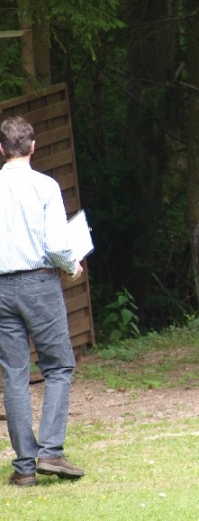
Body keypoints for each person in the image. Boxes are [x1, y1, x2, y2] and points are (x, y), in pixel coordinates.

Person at [0, 116, 86, 486]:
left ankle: (24, 468)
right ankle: (51, 451)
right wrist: (73, 266)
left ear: (1, 150)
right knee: (58, 366)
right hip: (39, 283)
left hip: (1, 289)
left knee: (14, 375)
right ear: (33, 147)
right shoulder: (46, 187)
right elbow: (56, 245)